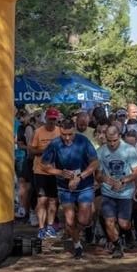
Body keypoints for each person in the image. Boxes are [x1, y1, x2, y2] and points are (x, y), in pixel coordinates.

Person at [41, 119, 99, 259]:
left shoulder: (83, 141)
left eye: (70, 134)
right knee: (69, 220)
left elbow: (95, 162)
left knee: (84, 220)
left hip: (84, 185)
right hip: (64, 187)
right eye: (64, 134)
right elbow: (44, 165)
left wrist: (80, 176)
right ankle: (77, 245)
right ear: (60, 131)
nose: (67, 138)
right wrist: (59, 172)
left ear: (74, 131)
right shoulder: (55, 144)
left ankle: (78, 232)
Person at [96, 126, 137, 258]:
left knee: (123, 223)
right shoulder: (101, 152)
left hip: (125, 193)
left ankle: (128, 233)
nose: (112, 144)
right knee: (109, 221)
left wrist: (123, 181)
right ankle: (117, 246)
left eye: (114, 140)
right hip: (108, 192)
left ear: (119, 136)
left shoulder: (129, 150)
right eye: (109, 140)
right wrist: (106, 179)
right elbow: (98, 175)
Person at [29, 107, 61, 239]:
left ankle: (50, 226)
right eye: (50, 119)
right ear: (45, 118)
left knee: (53, 200)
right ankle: (41, 228)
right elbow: (31, 150)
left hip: (55, 171)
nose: (52, 122)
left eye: (54, 119)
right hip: (40, 171)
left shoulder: (60, 131)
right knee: (42, 200)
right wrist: (44, 152)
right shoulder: (38, 132)